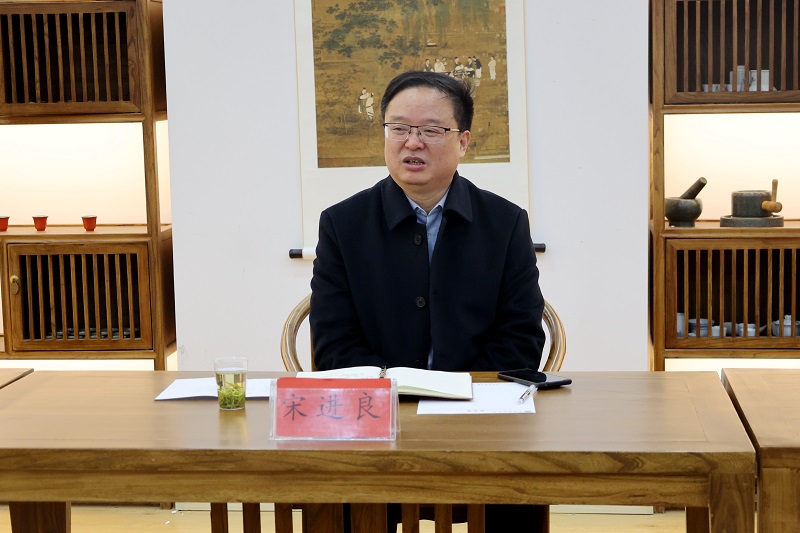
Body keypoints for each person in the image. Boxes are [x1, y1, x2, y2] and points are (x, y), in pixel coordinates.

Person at [310, 71, 546, 532]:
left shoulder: (505, 223)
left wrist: (458, 395)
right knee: (335, 493)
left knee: (516, 485)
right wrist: (395, 395)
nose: (411, 142)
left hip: (477, 421)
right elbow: (334, 345)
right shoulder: (342, 224)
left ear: (463, 142)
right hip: (376, 422)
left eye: (431, 130)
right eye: (398, 128)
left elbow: (520, 339)